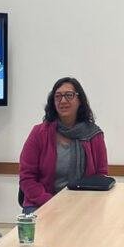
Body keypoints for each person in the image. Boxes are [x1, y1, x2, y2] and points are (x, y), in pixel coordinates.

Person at [19, 77, 108, 212]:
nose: (63, 101)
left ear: (79, 100)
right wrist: (52, 203)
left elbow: (101, 176)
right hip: (41, 203)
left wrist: (83, 204)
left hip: (82, 205)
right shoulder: (39, 133)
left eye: (69, 95)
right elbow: (27, 178)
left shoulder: (94, 135)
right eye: (58, 96)